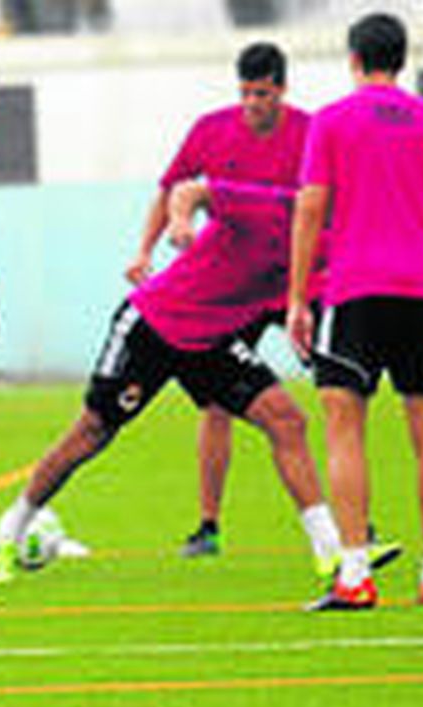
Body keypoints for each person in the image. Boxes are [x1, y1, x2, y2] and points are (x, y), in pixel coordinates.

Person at [0, 169, 376, 586]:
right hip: (153, 323)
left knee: (286, 420)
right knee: (91, 432)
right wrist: (182, 221)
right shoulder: (270, 206)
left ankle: (329, 549)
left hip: (211, 340)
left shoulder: (332, 244)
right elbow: (189, 191)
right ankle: (10, 530)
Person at [288, 12, 423, 610]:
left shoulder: (331, 121)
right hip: (422, 295)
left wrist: (299, 298)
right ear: (401, 60)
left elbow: (309, 210)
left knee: (343, 426)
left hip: (355, 292)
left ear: (354, 59)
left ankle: (355, 574)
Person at [123, 42, 311, 559]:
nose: (253, 103)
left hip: (294, 284)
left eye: (264, 94)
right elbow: (172, 188)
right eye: (246, 93)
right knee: (216, 403)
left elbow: (326, 207)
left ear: (282, 90)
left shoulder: (310, 134)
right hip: (233, 290)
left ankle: (353, 522)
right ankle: (208, 526)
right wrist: (144, 251)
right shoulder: (211, 129)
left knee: (341, 394)